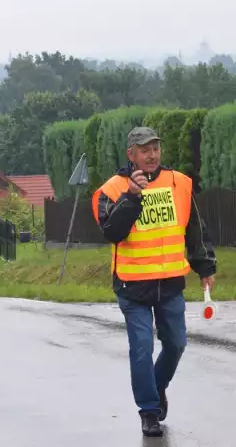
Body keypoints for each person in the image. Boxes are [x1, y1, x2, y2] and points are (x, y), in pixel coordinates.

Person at [92, 126, 217, 437]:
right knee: (141, 349)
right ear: (130, 154)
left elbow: (194, 230)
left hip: (171, 283)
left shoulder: (179, 183)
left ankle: (157, 387)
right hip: (132, 286)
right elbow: (111, 232)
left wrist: (205, 267)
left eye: (155, 148)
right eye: (144, 149)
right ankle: (149, 412)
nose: (152, 154)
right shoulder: (111, 189)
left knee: (176, 344)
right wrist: (132, 197)